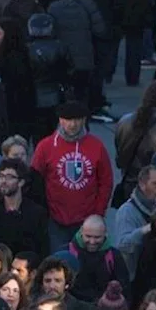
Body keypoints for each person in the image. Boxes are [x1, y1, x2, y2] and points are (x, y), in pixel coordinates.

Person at [30, 101, 112, 248]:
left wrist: (98, 213)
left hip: (87, 221)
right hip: (54, 220)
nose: (72, 124)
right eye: (68, 120)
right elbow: (35, 180)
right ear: (60, 120)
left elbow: (106, 182)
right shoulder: (45, 146)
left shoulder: (97, 146)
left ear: (84, 120)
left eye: (77, 120)